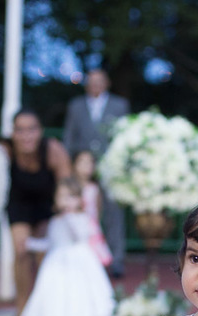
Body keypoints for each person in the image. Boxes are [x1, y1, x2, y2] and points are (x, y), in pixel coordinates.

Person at [0, 108, 71, 316]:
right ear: (13, 133)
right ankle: (22, 309)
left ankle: (47, 309)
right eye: (20, 130)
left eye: (32, 129)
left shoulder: (52, 149)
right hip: (19, 204)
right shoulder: (3, 150)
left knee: (45, 256)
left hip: (47, 205)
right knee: (21, 250)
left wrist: (64, 209)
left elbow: (67, 183)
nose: (26, 135)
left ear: (40, 131)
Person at [18, 178, 114, 316]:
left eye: (70, 197)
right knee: (58, 292)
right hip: (56, 260)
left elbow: (81, 235)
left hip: (78, 261)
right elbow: (50, 242)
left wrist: (69, 216)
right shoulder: (55, 221)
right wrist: (30, 243)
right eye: (62, 196)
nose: (66, 201)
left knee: (78, 290)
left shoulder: (82, 218)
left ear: (79, 199)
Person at [63, 69, 129, 277]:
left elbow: (124, 136)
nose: (95, 85)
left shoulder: (120, 105)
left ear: (107, 83)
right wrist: (70, 168)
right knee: (84, 211)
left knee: (113, 214)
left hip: (111, 169)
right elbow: (68, 136)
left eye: (99, 81)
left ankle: (115, 260)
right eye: (91, 82)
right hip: (83, 169)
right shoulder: (76, 106)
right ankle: (86, 258)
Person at [72, 150, 112, 267]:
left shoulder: (94, 188)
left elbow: (97, 210)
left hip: (91, 228)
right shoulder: (71, 186)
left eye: (90, 162)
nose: (86, 166)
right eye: (82, 162)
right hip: (74, 227)